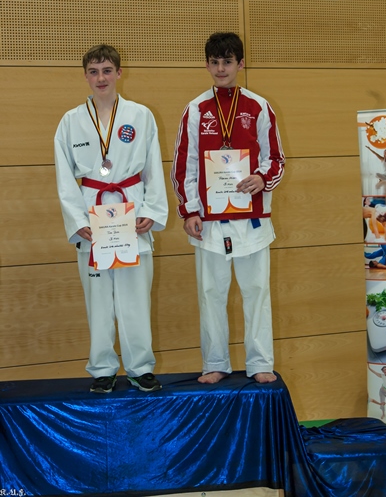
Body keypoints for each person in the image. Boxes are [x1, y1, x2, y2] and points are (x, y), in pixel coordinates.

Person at [171, 32, 285, 385]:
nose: (221, 69)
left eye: (228, 62)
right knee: (211, 295)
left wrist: (261, 178)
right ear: (207, 65)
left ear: (240, 64)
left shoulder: (259, 106)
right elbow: (184, 166)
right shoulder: (195, 109)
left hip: (251, 219)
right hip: (210, 221)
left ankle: (260, 362)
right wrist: (190, 210)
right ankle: (215, 362)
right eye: (215, 62)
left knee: (257, 293)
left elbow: (276, 159)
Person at [54, 44, 168, 393]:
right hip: (93, 219)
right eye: (93, 71)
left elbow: (153, 167)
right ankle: (103, 368)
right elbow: (64, 177)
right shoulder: (71, 121)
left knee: (135, 296)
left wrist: (151, 211)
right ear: (85, 76)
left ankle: (140, 366)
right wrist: (77, 220)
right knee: (99, 298)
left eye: (106, 70)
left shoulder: (140, 115)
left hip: (131, 215)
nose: (100, 78)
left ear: (119, 73)